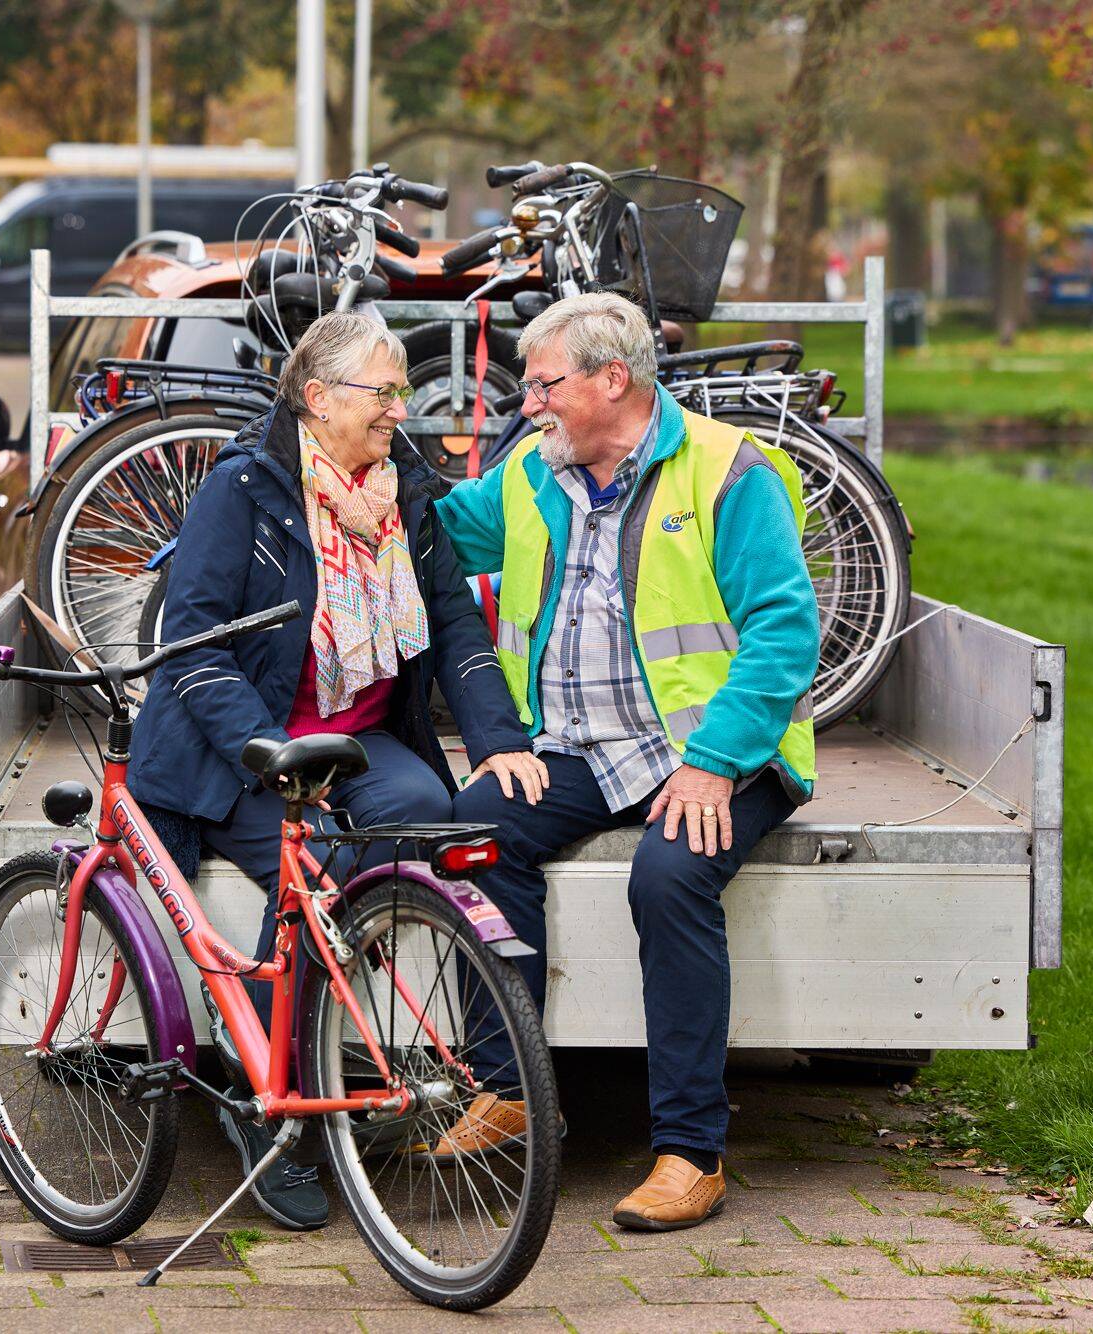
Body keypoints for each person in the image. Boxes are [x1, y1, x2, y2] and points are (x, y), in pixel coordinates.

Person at [130, 310, 548, 1230]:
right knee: (314, 865)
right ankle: (262, 1097)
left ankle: (356, 1040)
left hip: (356, 737)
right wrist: (272, 757)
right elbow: (192, 647)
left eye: (403, 390)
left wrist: (502, 742)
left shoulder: (410, 493)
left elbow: (456, 626)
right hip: (238, 752)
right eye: (384, 392)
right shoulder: (243, 489)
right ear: (317, 400)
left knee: (424, 822)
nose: (402, 409)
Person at [435, 292, 820, 1232]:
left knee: (668, 876)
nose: (528, 405)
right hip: (578, 746)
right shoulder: (533, 471)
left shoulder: (728, 473)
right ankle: (510, 1087)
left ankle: (692, 1152)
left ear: (616, 380)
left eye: (544, 385)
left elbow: (784, 630)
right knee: (469, 835)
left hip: (712, 750)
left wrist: (715, 763)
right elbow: (441, 534)